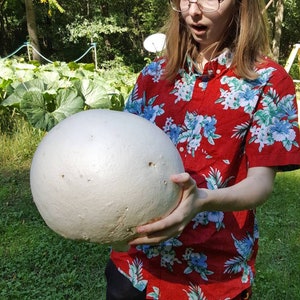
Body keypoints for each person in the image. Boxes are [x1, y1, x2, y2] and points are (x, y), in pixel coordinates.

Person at [105, 0, 300, 299]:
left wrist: (202, 200)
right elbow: (125, 159)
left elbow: (260, 184)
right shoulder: (152, 77)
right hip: (135, 267)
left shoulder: (269, 82)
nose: (193, 10)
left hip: (213, 277)